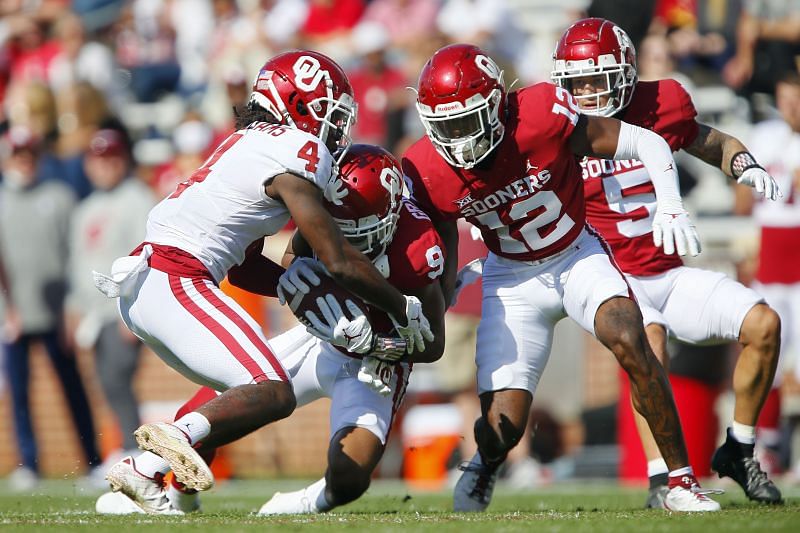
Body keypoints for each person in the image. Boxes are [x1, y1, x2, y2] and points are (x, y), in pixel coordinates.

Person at [94, 51, 434, 503]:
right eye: (327, 115)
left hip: (147, 280)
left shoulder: (246, 143)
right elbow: (338, 260)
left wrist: (293, 286)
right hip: (176, 277)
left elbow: (243, 263)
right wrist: (400, 307)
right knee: (272, 390)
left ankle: (152, 497)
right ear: (293, 107)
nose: (335, 129)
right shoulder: (297, 151)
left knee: (241, 388)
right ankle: (145, 464)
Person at [402, 43, 719, 513]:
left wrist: (671, 205)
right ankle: (485, 464)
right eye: (446, 125)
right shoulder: (426, 167)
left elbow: (645, 141)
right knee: (503, 425)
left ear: (496, 105)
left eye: (468, 121)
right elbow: (441, 224)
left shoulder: (540, 114)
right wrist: (443, 280)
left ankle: (679, 480)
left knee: (630, 336)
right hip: (510, 277)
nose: (459, 138)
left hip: (576, 255)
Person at [551, 17, 784, 507]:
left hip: (669, 273)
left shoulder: (660, 106)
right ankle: (662, 476)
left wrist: (746, 165)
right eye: (578, 80)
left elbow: (715, 143)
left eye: (598, 77)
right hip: (611, 279)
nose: (588, 91)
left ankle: (739, 449)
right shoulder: (559, 128)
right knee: (646, 338)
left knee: (764, 324)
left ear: (626, 73)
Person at [0, 126, 101, 488]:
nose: (24, 162)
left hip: (58, 313)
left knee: (73, 388)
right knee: (20, 392)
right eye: (18, 155)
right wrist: (6, 310)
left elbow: (74, 255)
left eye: (29, 154)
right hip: (13, 315)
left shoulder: (59, 197)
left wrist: (72, 309)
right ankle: (28, 463)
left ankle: (93, 461)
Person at [64, 128, 155, 468]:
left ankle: (133, 449)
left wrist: (129, 312)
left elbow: (142, 257)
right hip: (93, 313)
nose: (105, 166)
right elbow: (77, 262)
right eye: (99, 159)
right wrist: (73, 309)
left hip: (121, 310)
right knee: (106, 382)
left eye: (111, 158)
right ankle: (127, 447)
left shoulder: (137, 198)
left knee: (117, 378)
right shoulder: (85, 207)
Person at [734, 70, 800, 481]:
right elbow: (742, 202)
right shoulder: (766, 136)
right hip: (772, 261)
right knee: (768, 354)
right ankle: (770, 445)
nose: (791, 105)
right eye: (786, 97)